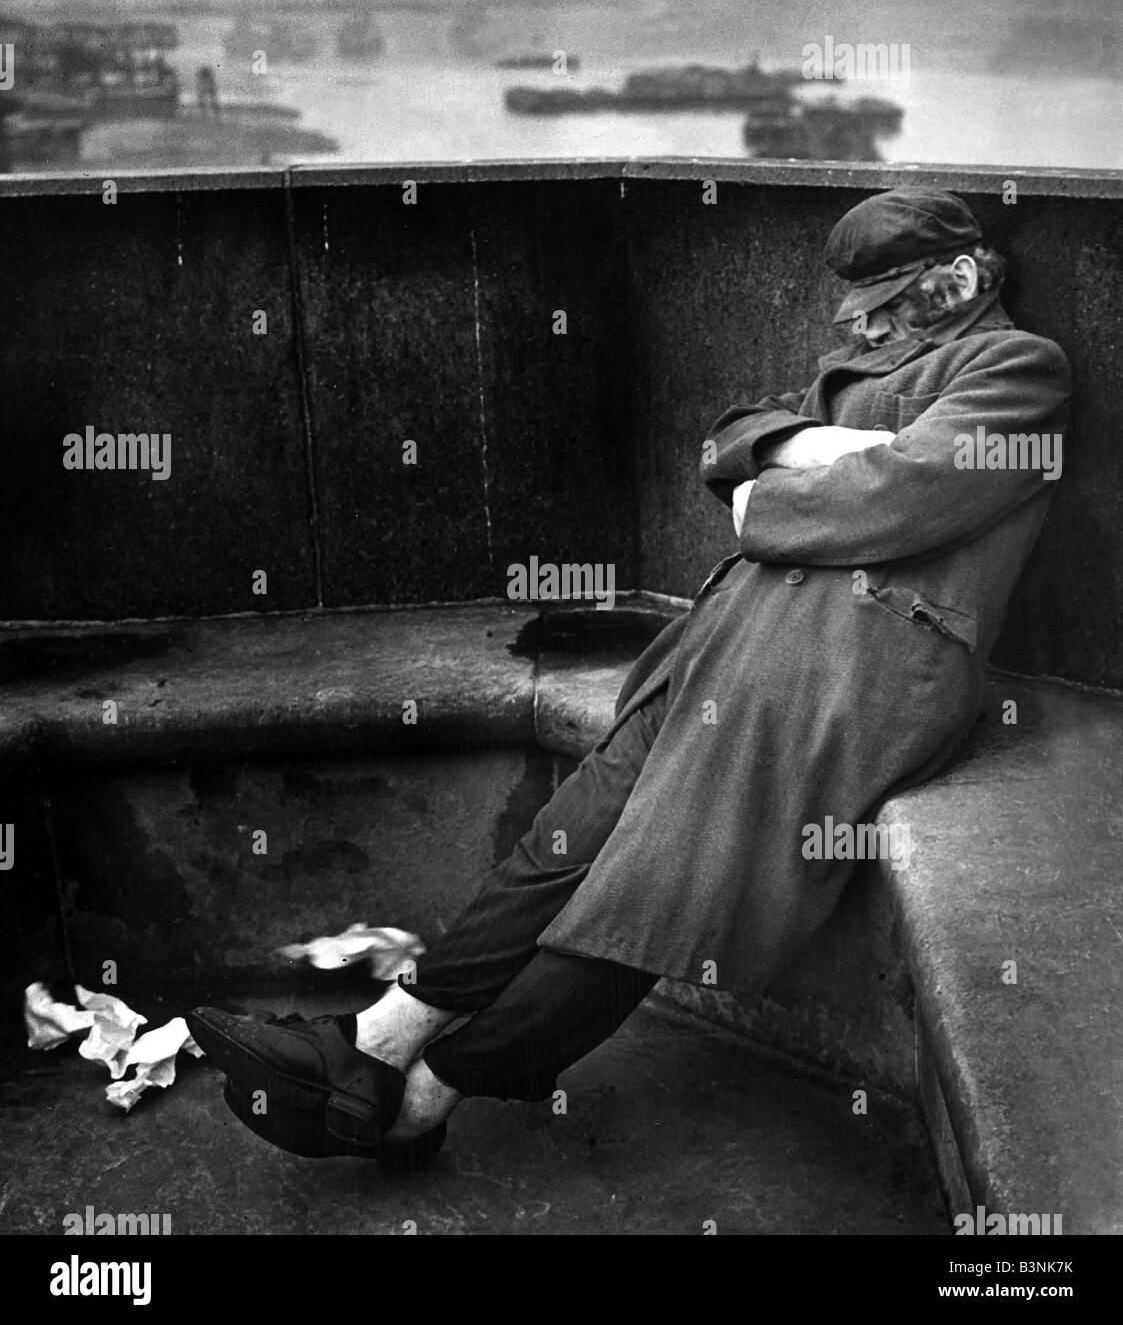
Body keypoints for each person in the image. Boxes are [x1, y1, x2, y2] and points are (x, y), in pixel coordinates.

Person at [189, 188, 1070, 1172]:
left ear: (957, 283)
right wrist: (798, 449)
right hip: (727, 648)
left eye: (887, 302)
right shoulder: (883, 357)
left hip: (844, 674)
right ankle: (378, 1038)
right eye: (856, 307)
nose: (862, 325)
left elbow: (894, 498)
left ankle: (425, 1096)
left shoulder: (1017, 369)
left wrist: (770, 491)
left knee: (648, 896)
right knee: (560, 842)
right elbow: (729, 434)